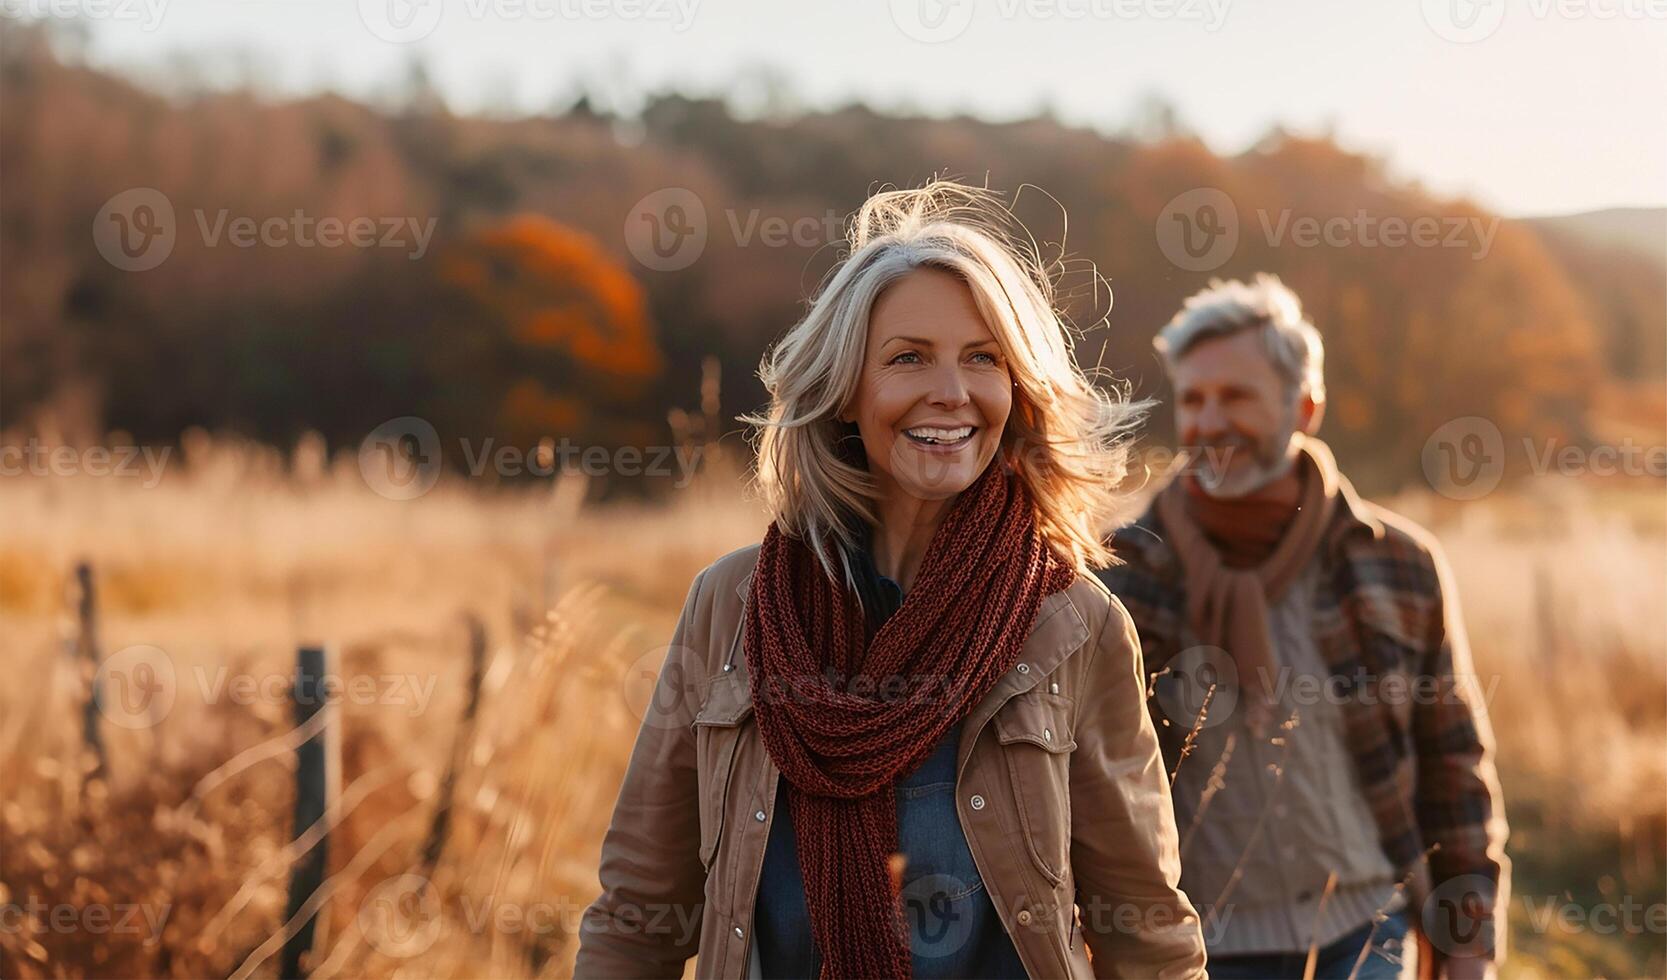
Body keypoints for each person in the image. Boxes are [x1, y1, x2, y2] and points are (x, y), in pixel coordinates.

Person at [576, 181, 1208, 979]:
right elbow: (638, 912)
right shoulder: (732, 607)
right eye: (908, 358)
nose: (951, 391)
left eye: (983, 359)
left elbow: (1145, 930)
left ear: (1015, 393)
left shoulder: (1075, 625)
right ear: (844, 392)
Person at [1097, 275, 1510, 980]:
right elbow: (1091, 792)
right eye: (1193, 399)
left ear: (1305, 406)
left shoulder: (1395, 563)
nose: (1207, 421)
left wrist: (1465, 943)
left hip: (1366, 936)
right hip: (1190, 952)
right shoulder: (1120, 573)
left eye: (1236, 396)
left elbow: (1452, 764)